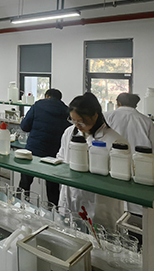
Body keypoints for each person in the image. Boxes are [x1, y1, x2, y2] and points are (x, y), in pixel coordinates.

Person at [56, 92, 128, 229]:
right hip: (70, 197)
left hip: (99, 204)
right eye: (73, 120)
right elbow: (61, 157)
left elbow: (119, 180)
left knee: (98, 237)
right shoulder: (69, 133)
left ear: (95, 116)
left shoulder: (115, 140)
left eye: (81, 121)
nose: (77, 125)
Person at [19, 89, 71, 204]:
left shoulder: (38, 105)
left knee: (24, 184)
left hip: (33, 151)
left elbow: (24, 126)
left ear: (47, 96)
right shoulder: (66, 110)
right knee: (53, 189)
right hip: (53, 154)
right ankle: (54, 212)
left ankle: (20, 205)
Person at [105, 92, 154, 156]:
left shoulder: (107, 116)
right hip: (140, 159)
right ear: (135, 105)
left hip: (115, 158)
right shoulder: (147, 121)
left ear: (118, 103)